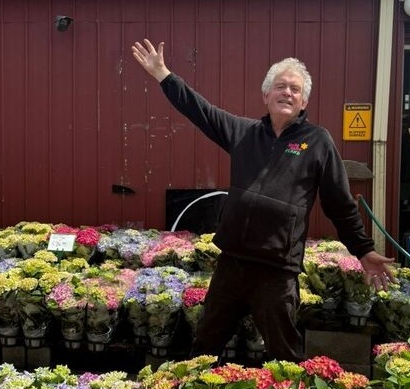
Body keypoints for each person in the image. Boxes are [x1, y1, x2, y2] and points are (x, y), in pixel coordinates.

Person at [131, 39, 395, 362]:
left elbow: (340, 205)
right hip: (232, 265)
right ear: (266, 95)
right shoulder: (244, 134)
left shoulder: (318, 143)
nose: (287, 92)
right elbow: (201, 111)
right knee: (203, 349)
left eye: (295, 89)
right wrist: (164, 75)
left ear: (304, 101)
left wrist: (364, 250)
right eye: (280, 86)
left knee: (284, 356)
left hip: (277, 273)